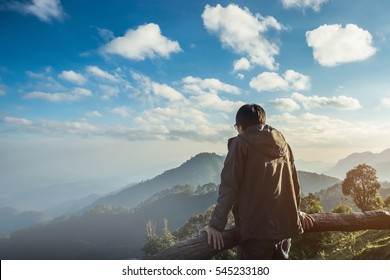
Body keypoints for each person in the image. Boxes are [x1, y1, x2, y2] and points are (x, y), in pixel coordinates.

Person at [200, 104, 314, 259]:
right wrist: (296, 211)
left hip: (255, 231)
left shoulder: (240, 144)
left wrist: (215, 225)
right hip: (285, 228)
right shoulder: (283, 145)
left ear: (240, 126)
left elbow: (229, 187)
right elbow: (294, 182)